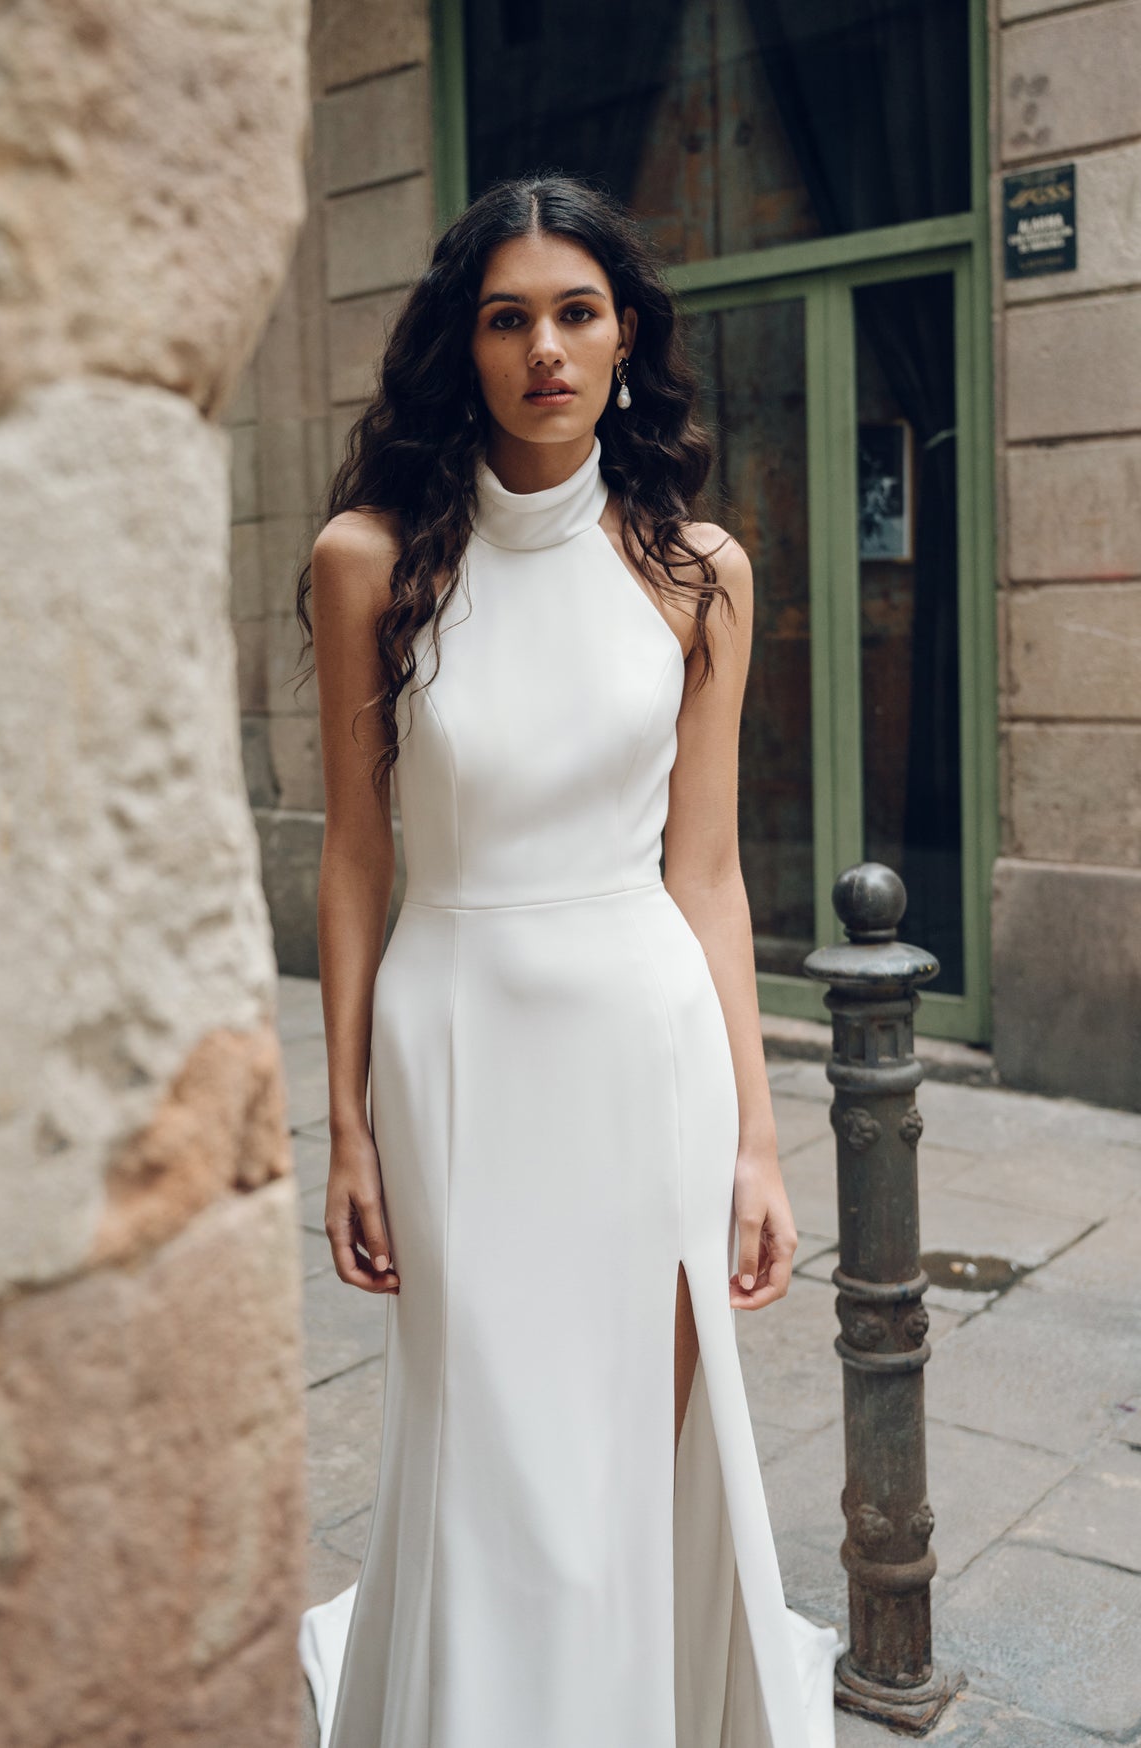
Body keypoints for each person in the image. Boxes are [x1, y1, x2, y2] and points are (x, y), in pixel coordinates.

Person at [295, 172, 844, 1747]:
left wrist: (756, 1136)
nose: (545, 347)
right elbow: (356, 855)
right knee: (492, 1454)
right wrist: (343, 1124)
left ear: (624, 339)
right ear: (462, 350)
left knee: (631, 1457)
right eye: (507, 317)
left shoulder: (701, 571)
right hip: (455, 1046)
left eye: (576, 312)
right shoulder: (369, 560)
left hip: (646, 1050)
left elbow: (712, 875)